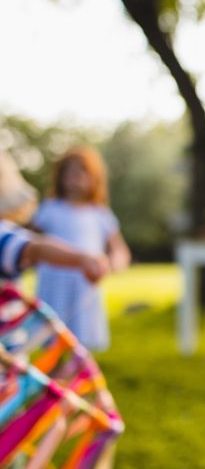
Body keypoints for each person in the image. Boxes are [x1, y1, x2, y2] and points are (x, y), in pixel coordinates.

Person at [31, 146, 130, 351]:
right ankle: (53, 380)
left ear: (94, 177)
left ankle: (76, 380)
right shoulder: (50, 209)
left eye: (81, 171)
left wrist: (110, 265)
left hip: (85, 286)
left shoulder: (100, 213)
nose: (75, 177)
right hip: (54, 283)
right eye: (69, 171)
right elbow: (30, 242)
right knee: (53, 342)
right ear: (60, 176)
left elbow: (119, 250)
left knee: (82, 347)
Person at [0, 150, 109, 283]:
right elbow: (36, 248)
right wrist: (83, 259)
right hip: (58, 280)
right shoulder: (50, 209)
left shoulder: (99, 212)